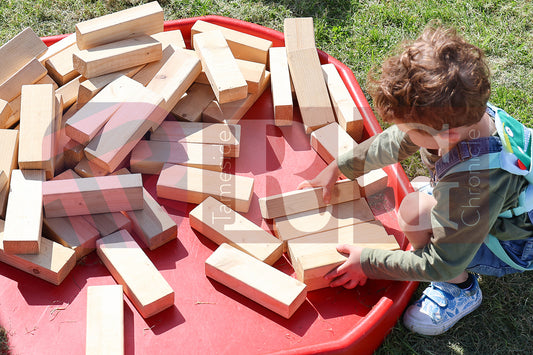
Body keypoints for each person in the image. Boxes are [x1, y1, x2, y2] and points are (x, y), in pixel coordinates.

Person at [298, 24, 533, 335]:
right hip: (492, 208)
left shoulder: (471, 184)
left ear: (444, 134)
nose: (403, 135)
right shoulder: (464, 116)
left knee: (414, 212)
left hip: (515, 246)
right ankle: (448, 215)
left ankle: (460, 289)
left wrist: (368, 261)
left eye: (411, 131)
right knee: (430, 203)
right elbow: (398, 140)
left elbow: (442, 262)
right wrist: (342, 166)